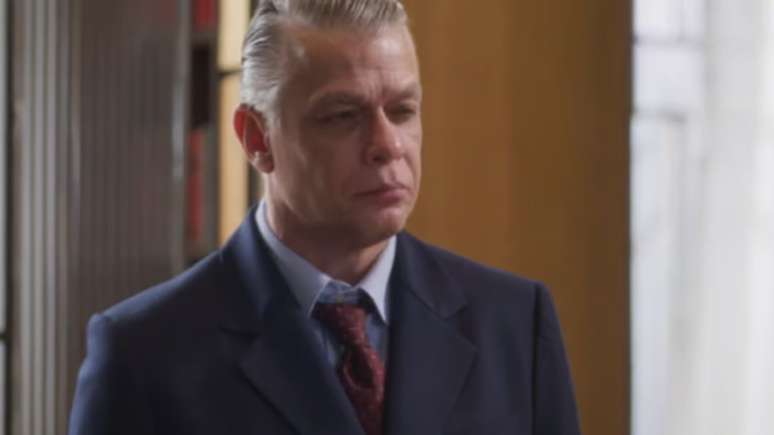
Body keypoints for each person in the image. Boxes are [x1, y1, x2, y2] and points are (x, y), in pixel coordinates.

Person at [68, 1, 581, 434]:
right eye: (343, 116)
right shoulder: (144, 353)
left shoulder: (515, 324)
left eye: (402, 110)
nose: (388, 145)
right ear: (257, 138)